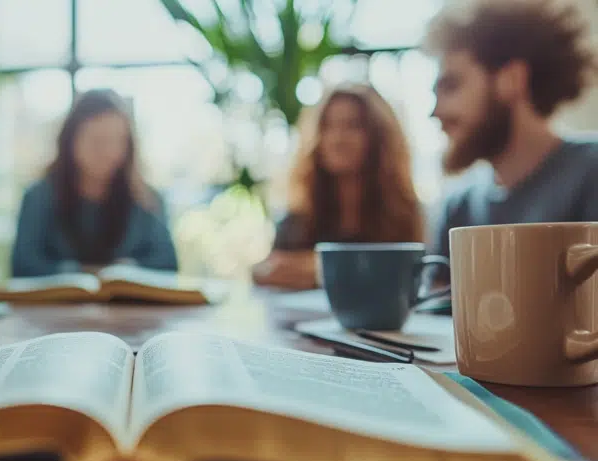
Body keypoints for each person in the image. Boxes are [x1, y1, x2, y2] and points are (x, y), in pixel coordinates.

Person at [424, 0, 598, 284]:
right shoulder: (458, 206)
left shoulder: (591, 171)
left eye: (451, 86)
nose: (436, 112)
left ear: (512, 79)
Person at [253, 84, 425, 290]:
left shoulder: (403, 212)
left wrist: (315, 268)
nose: (338, 138)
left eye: (352, 126)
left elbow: (403, 277)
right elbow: (265, 270)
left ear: (378, 136)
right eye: (327, 126)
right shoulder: (299, 215)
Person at [10, 89, 177, 277]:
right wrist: (86, 273)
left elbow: (168, 265)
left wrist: (128, 270)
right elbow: (23, 266)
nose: (110, 152)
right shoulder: (38, 197)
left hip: (132, 306)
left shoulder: (148, 199)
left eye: (118, 141)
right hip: (56, 306)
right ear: (70, 141)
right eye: (98, 141)